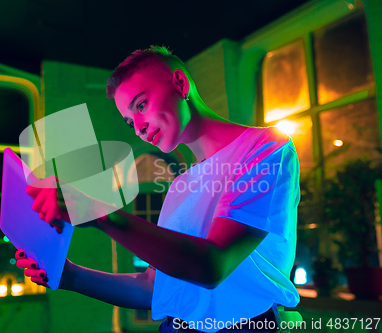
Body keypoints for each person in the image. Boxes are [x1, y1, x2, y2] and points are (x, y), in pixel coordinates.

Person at [15, 46, 301, 332]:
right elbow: (153, 287)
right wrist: (71, 276)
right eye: (130, 123)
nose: (138, 128)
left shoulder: (264, 149)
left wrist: (101, 214)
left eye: (141, 105)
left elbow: (211, 265)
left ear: (180, 83)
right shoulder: (179, 187)